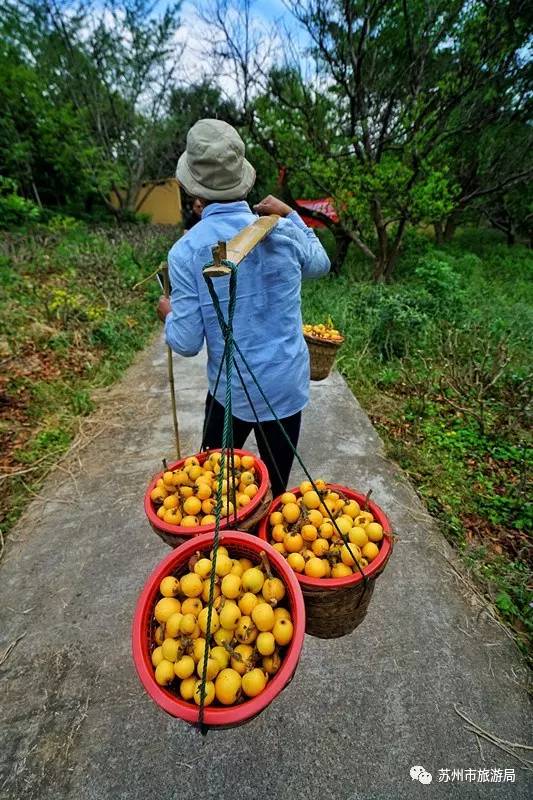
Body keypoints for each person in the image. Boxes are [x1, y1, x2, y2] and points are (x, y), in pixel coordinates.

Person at [157, 118, 330, 497]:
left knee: (213, 493)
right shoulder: (281, 230)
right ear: (244, 178)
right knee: (276, 492)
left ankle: (229, 548)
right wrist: (291, 213)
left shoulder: (187, 250)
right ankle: (267, 546)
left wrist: (167, 311)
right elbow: (321, 264)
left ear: (192, 188)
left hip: (230, 390)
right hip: (285, 386)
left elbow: (185, 342)